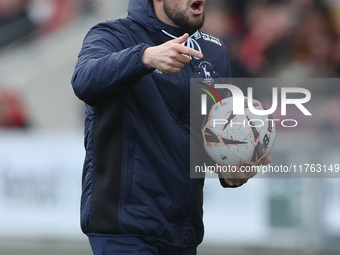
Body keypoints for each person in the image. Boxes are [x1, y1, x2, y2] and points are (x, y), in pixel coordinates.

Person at [71, 0, 269, 254]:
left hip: (184, 231)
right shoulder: (114, 35)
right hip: (125, 228)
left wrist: (228, 170)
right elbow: (83, 80)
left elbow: (209, 133)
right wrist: (144, 57)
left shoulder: (215, 51)